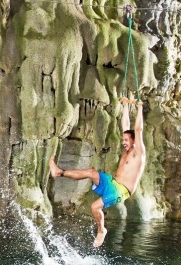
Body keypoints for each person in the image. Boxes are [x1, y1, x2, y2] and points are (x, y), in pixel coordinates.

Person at [49, 99, 146, 248]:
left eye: (126, 140)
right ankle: (58, 172)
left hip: (122, 190)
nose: (123, 142)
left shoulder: (139, 153)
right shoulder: (127, 151)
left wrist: (139, 108)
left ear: (134, 141)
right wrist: (126, 105)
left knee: (94, 207)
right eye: (123, 139)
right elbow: (126, 126)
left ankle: (102, 230)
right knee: (91, 172)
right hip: (113, 182)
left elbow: (138, 130)